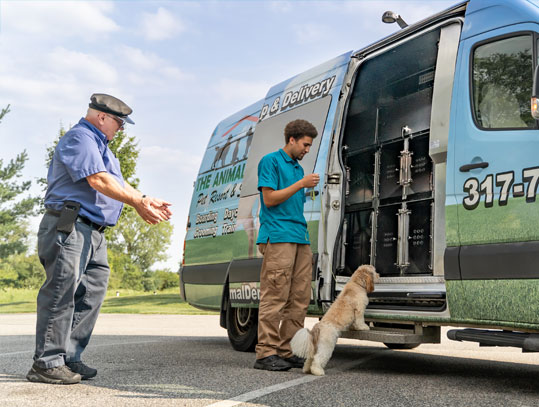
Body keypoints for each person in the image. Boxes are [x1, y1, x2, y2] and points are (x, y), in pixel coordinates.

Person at [26, 93, 173, 385]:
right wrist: (136, 203)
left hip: (93, 231)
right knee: (61, 292)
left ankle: (68, 356)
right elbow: (99, 180)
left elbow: (117, 181)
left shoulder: (103, 147)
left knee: (92, 292)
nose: (122, 128)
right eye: (119, 122)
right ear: (102, 117)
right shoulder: (80, 138)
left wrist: (144, 198)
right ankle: (46, 362)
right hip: (69, 225)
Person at [253, 119, 319, 371]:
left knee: (299, 298)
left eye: (310, 146)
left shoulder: (298, 169)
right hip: (278, 236)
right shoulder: (270, 161)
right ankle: (266, 353)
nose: (307, 150)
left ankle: (287, 349)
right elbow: (269, 199)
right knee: (275, 296)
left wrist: (304, 188)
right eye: (305, 144)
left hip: (299, 237)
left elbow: (291, 200)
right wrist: (300, 185)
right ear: (292, 140)